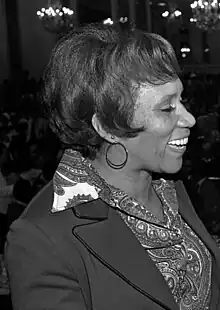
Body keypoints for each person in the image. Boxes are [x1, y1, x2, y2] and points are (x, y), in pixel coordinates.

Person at [4, 23, 220, 310]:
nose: (190, 119)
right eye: (167, 108)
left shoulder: (170, 191)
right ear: (108, 127)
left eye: (182, 99)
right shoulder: (41, 238)